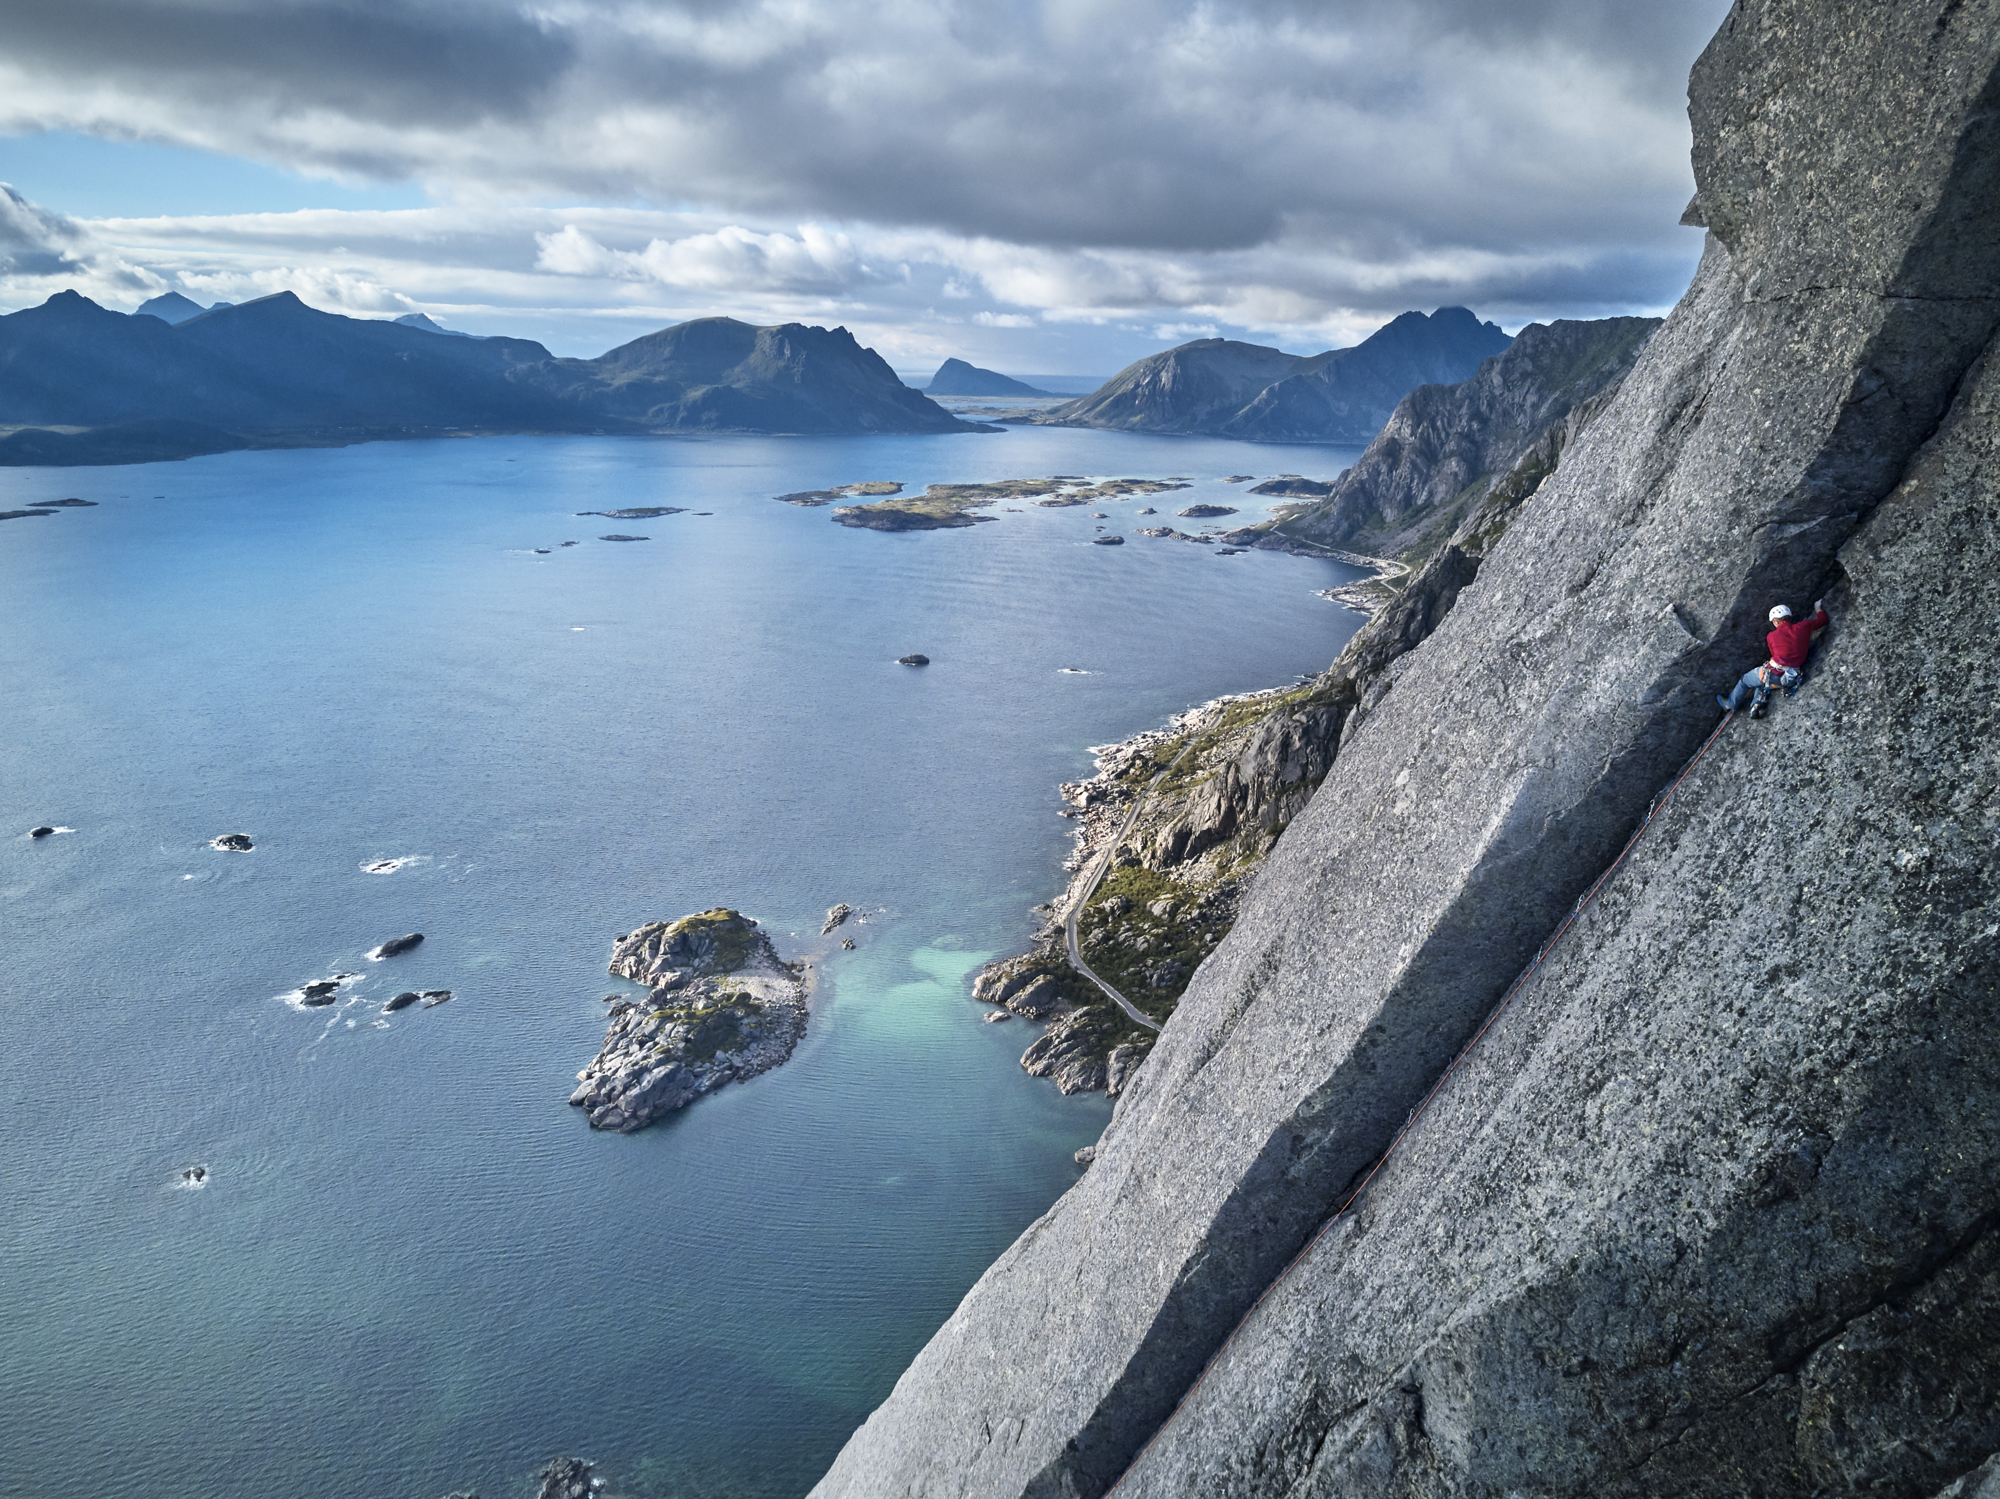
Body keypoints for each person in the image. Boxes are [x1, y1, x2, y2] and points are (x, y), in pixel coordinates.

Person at [1718, 599, 1829, 717]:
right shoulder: (1803, 626)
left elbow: (1774, 654)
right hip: (1791, 678)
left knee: (1745, 681)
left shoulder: (1772, 636)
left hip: (1774, 675)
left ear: (1776, 621)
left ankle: (1730, 704)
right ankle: (1756, 705)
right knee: (1762, 683)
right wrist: (1818, 609)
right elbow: (1823, 620)